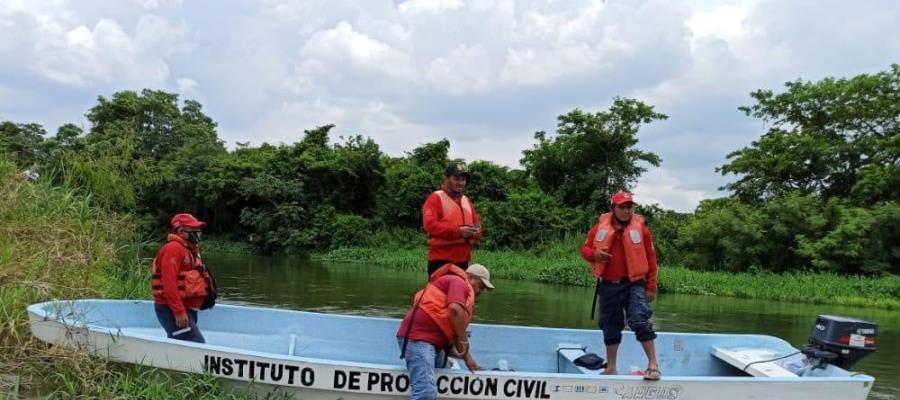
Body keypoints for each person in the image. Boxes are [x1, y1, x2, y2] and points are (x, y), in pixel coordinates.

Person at [580, 191, 661, 380]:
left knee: (640, 320)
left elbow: (651, 258)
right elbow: (585, 249)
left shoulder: (642, 230)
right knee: (610, 325)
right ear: (613, 209)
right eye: (622, 207)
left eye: (629, 207)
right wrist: (595, 255)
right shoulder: (599, 228)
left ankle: (653, 366)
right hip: (608, 285)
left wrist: (651, 286)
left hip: (635, 284)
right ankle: (611, 368)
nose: (626, 211)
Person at [397, 263, 495, 400]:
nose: (482, 291)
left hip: (434, 345)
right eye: (481, 286)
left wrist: (470, 362)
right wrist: (464, 339)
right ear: (471, 278)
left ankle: (438, 367)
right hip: (419, 339)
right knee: (425, 393)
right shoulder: (459, 282)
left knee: (443, 368)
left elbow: (454, 335)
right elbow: (454, 309)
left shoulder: (463, 295)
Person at [152, 213, 212, 343]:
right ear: (181, 232)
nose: (198, 233)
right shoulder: (173, 249)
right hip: (171, 308)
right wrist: (179, 311)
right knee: (195, 342)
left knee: (182, 343)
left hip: (186, 308)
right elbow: (169, 283)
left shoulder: (190, 249)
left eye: (199, 230)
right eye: (194, 230)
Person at [422, 163, 483, 276]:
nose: (460, 183)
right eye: (456, 178)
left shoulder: (466, 200)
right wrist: (459, 232)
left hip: (463, 260)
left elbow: (478, 227)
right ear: (446, 178)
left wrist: (473, 232)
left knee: (458, 293)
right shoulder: (435, 198)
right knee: (439, 293)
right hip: (440, 260)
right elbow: (429, 225)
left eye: (463, 179)